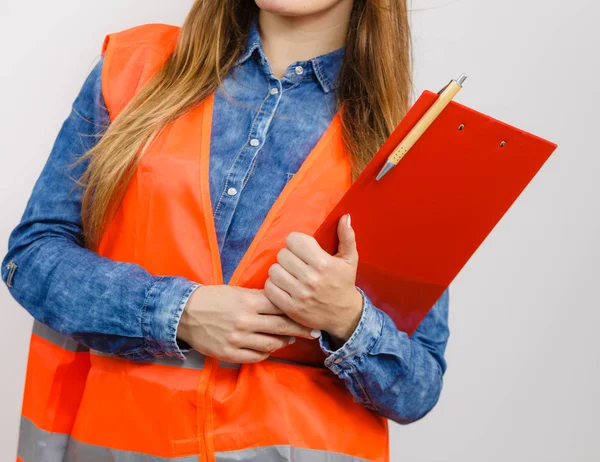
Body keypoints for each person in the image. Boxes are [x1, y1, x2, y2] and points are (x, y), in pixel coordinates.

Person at [2, 1, 450, 461]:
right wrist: (180, 312)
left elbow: (418, 388)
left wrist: (346, 318)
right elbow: (31, 258)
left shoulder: (404, 147)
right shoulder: (135, 67)